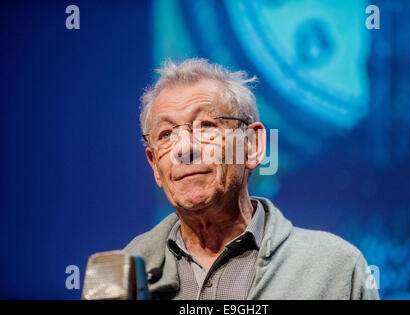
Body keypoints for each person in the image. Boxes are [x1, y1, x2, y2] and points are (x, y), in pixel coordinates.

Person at [124, 58, 380, 300]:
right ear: (155, 165)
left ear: (253, 145)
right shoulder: (123, 276)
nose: (183, 149)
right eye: (166, 134)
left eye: (206, 125)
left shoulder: (334, 269)